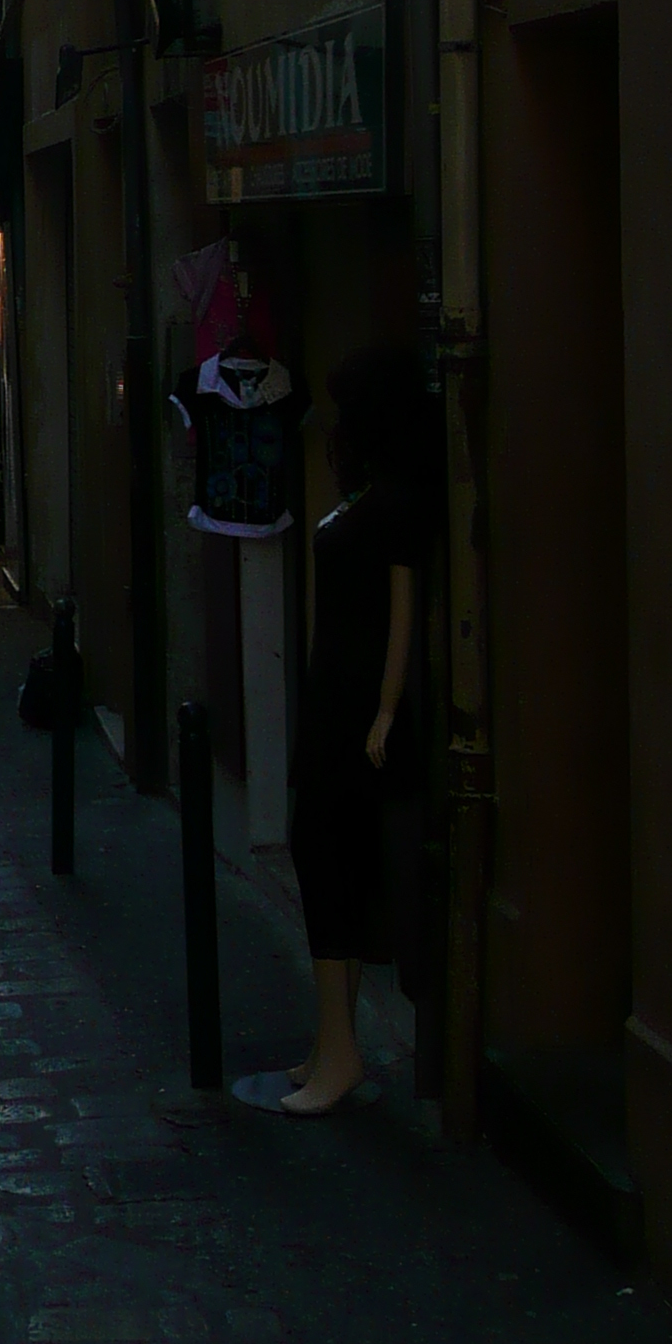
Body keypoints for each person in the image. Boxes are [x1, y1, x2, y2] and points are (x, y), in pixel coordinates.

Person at [280, 349, 429, 1115]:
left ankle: (342, 1051)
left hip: (356, 720)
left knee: (333, 864)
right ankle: (327, 1042)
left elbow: (403, 618)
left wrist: (385, 712)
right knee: (318, 859)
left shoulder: (396, 506)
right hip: (330, 705)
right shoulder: (368, 495)